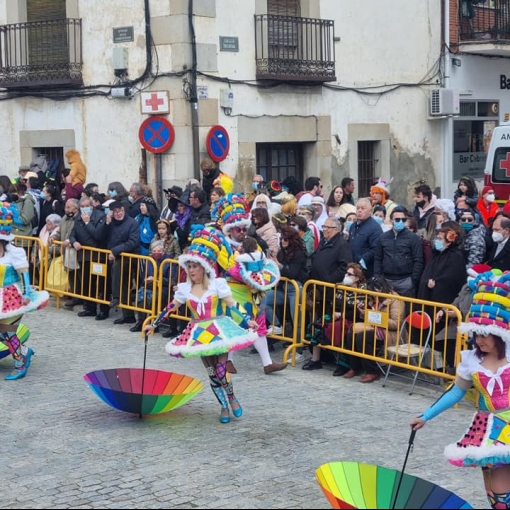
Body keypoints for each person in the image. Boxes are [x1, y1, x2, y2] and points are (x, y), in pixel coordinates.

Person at [410, 269, 510, 509]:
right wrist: (425, 417)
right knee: (497, 497)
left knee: (502, 495)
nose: (479, 341)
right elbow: (456, 392)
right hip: (488, 430)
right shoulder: (471, 360)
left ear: (500, 334)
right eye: (476, 335)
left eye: (486, 335)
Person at [144, 226, 258, 424]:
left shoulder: (217, 284)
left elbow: (233, 304)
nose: (191, 270)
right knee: (213, 374)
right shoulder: (185, 288)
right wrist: (153, 324)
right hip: (198, 333)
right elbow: (171, 307)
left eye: (194, 266)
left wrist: (248, 319)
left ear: (204, 268)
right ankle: (223, 406)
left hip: (219, 330)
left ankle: (232, 398)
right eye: (188, 266)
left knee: (222, 371)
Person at [214, 194, 287, 375]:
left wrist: (261, 279)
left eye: (243, 228)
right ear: (230, 230)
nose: (241, 232)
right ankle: (228, 360)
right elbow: (232, 269)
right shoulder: (224, 248)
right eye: (237, 229)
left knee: (259, 327)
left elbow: (263, 263)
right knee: (236, 326)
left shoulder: (253, 244)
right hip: (233, 293)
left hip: (254, 293)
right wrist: (249, 275)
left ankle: (267, 363)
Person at [0, 202, 49, 380]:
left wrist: (27, 294)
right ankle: (25, 351)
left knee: (8, 332)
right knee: (1, 333)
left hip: (12, 298)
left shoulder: (14, 252)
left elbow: (24, 275)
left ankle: (20, 364)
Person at [302, 217, 353, 371]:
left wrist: (330, 280)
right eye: (323, 226)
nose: (324, 229)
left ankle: (341, 361)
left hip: (333, 293)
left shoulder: (342, 245)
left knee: (335, 326)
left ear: (336, 229)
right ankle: (315, 359)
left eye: (327, 227)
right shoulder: (324, 242)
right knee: (317, 324)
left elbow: (345, 266)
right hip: (319, 291)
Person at [341, 276, 405, 383]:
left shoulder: (396, 300)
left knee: (362, 337)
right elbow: (371, 316)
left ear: (379, 289)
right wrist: (364, 313)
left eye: (372, 291)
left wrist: (377, 317)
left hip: (389, 333)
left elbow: (396, 324)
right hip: (376, 327)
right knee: (351, 334)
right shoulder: (374, 298)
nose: (370, 294)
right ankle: (354, 366)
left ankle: (372, 371)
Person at [374, 206, 424, 298]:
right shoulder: (383, 238)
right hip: (386, 280)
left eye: (403, 219)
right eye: (397, 219)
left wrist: (413, 280)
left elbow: (418, 260)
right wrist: (378, 278)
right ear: (391, 220)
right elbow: (378, 259)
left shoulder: (413, 238)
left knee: (406, 310)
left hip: (406, 281)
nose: (400, 222)